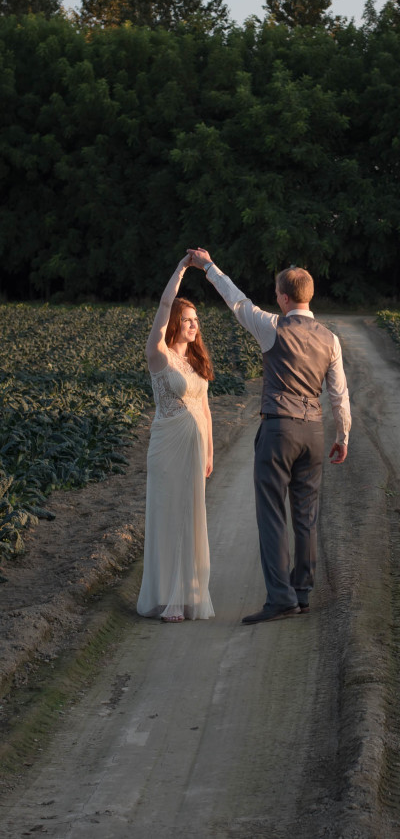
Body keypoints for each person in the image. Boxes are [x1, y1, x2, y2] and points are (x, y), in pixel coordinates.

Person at [187, 247, 351, 625]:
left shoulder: (271, 326)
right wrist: (342, 435)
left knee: (273, 514)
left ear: (283, 296)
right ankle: (303, 593)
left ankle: (281, 598)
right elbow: (339, 394)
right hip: (313, 430)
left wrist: (209, 266)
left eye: (277, 293)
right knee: (306, 515)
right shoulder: (331, 339)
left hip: (279, 428)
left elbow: (236, 300)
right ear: (309, 296)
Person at [137, 254, 215, 623]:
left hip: (195, 448)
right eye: (187, 320)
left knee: (190, 518)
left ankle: (187, 596)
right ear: (173, 324)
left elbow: (205, 408)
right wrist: (183, 268)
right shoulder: (159, 356)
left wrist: (211, 451)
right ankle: (167, 598)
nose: (193, 326)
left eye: (196, 321)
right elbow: (166, 302)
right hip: (167, 448)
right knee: (167, 519)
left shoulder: (195, 363)